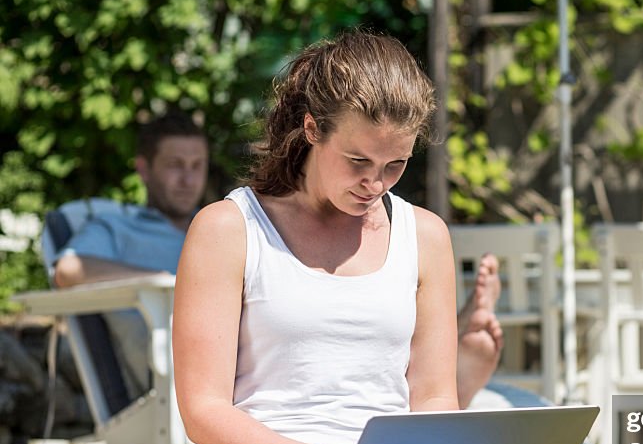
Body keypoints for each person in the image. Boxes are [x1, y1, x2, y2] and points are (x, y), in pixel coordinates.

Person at [172, 31, 535, 444]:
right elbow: (202, 412)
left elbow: (431, 397)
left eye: (394, 165)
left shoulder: (426, 236)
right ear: (312, 129)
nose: (375, 183)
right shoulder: (229, 229)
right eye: (358, 161)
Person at [53, 113, 504, 407]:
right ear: (144, 169)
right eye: (175, 165)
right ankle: (451, 385)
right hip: (179, 348)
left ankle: (445, 363)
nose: (188, 177)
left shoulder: (218, 225)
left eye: (196, 165)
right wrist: (175, 280)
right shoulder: (120, 226)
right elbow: (69, 270)